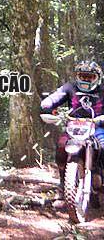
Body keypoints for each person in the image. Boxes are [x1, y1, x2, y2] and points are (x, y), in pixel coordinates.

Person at [41, 60, 104, 200]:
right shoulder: (70, 87)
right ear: (77, 76)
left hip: (98, 127)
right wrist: (47, 104)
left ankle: (100, 177)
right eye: (83, 76)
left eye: (90, 77)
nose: (86, 80)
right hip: (74, 127)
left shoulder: (102, 90)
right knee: (61, 146)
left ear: (97, 78)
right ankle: (63, 184)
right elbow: (55, 97)